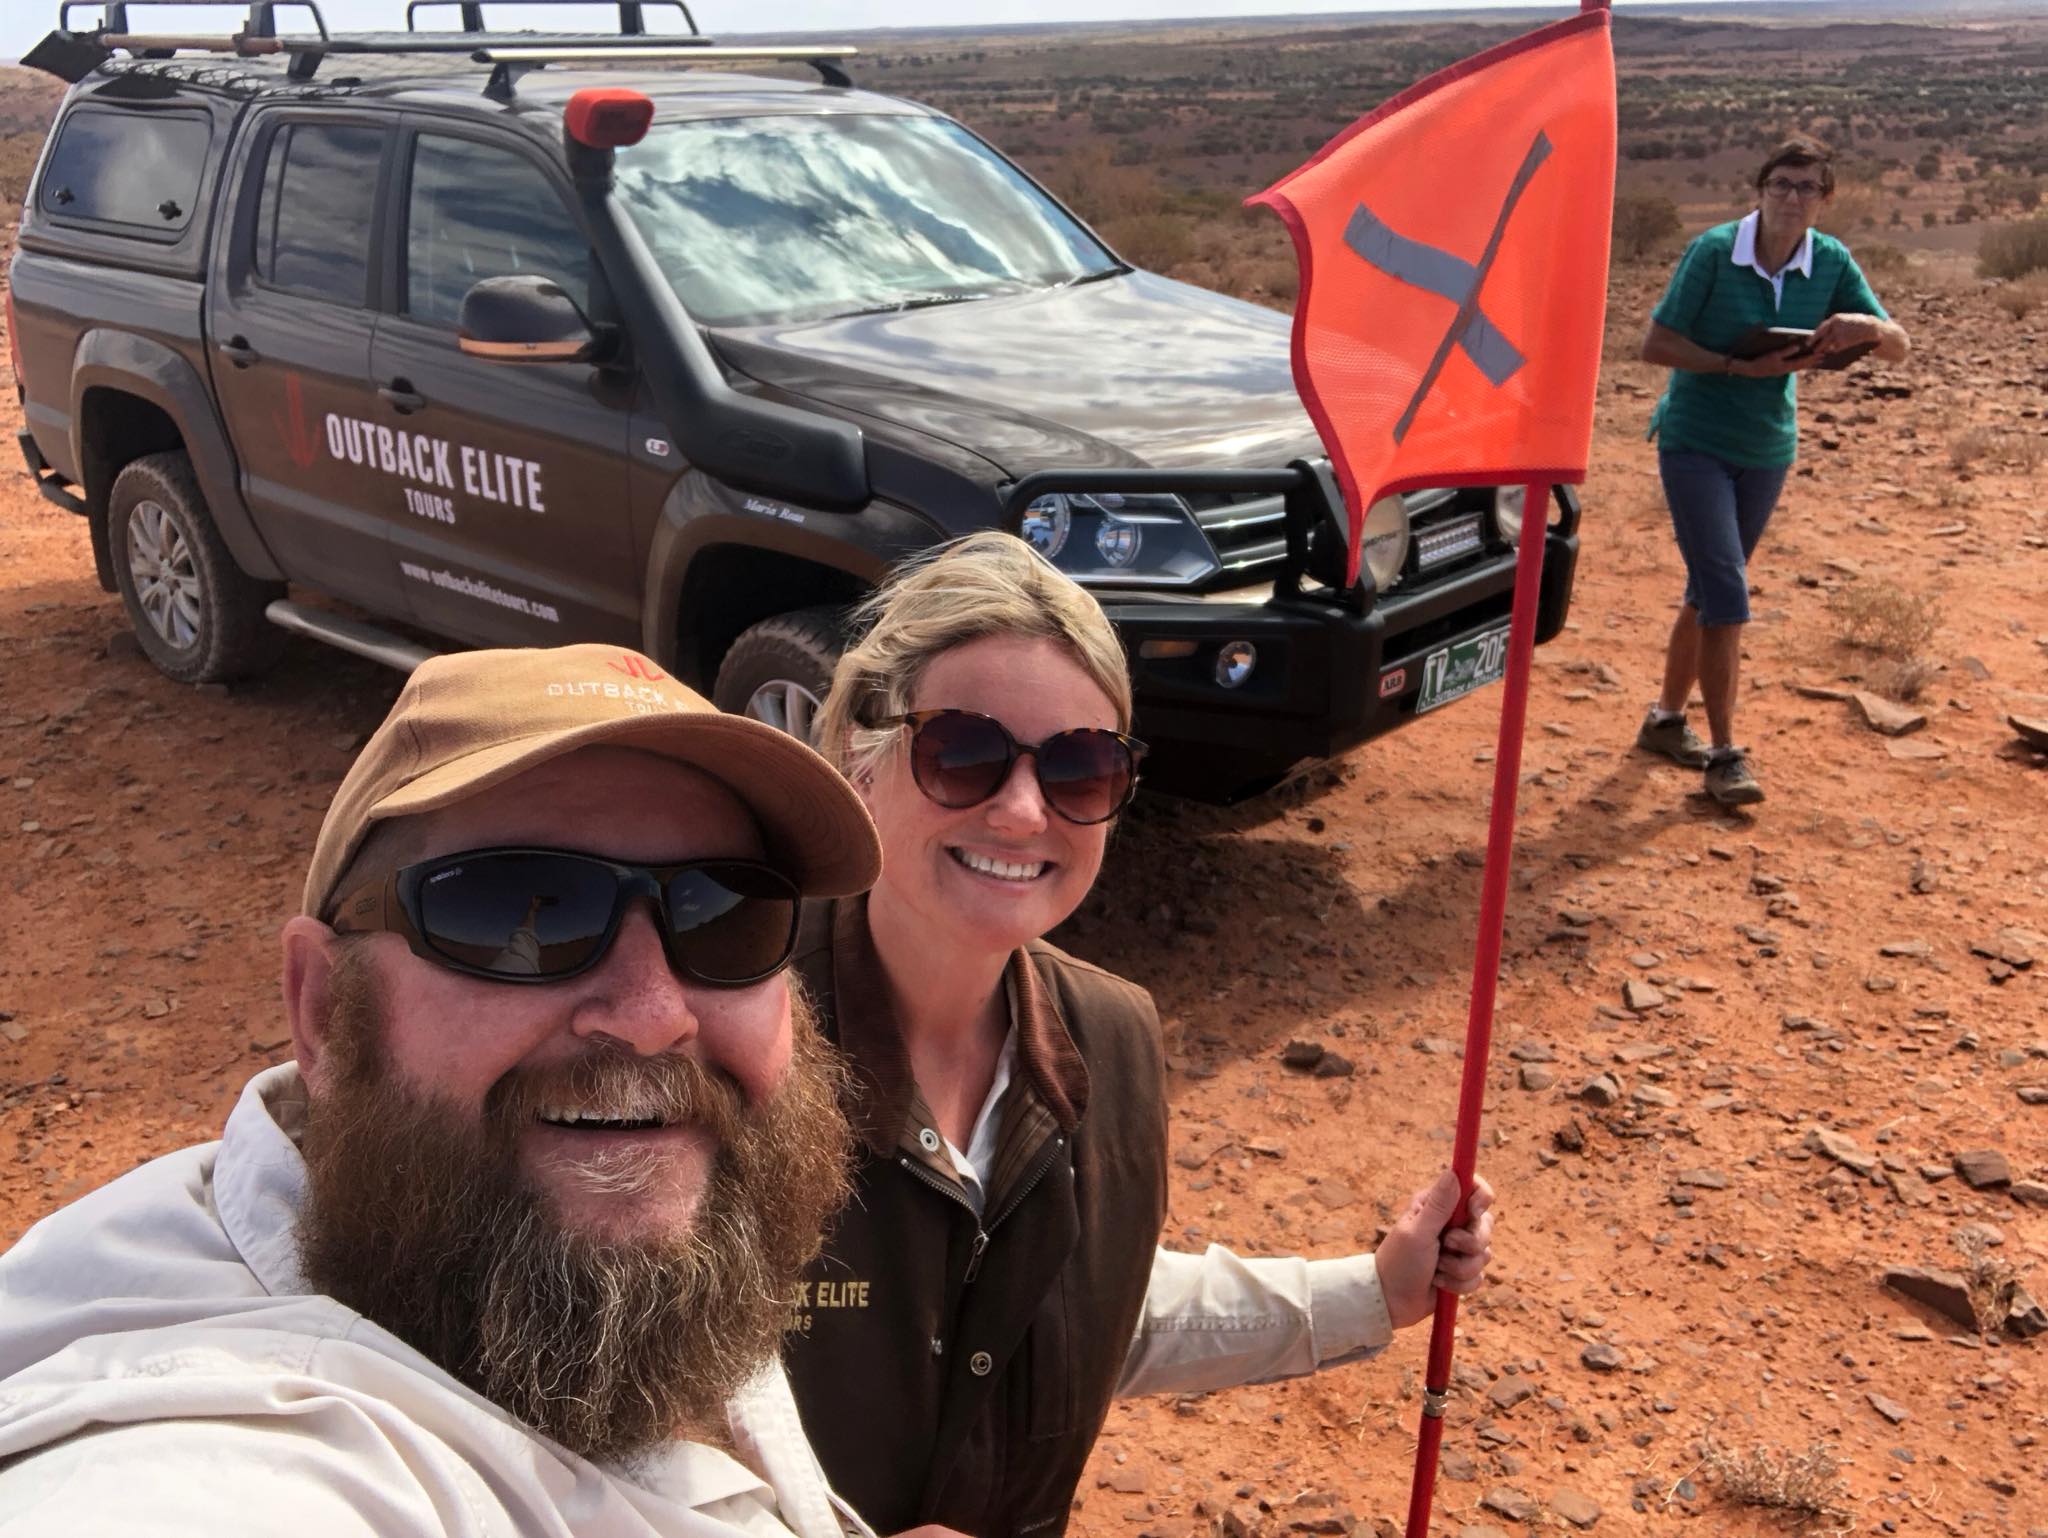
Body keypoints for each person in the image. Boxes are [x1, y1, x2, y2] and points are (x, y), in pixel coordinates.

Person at [0, 644, 886, 1538]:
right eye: (513, 913)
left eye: (726, 914)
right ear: (321, 1010)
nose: (654, 1015)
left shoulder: (613, 1224)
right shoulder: (214, 1454)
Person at [784, 533, 1498, 1538]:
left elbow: (1085, 1302)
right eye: (963, 752)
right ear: (865, 756)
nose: (1024, 809)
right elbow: (589, 1431)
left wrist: (1370, 1290)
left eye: (1079, 767)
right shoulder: (724, 1033)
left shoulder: (1108, 1040)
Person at [1636, 134, 1909, 807]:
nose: (1793, 197)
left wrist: (1861, 325)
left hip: (1766, 448)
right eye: (1781, 184)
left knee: (1706, 588)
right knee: (1727, 590)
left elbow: (1898, 349)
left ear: (1824, 199)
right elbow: (1655, 343)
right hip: (1695, 437)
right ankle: (1725, 755)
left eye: (1807, 187)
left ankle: (1666, 721)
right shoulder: (1712, 251)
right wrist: (1736, 365)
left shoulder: (1830, 261)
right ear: (1760, 189)